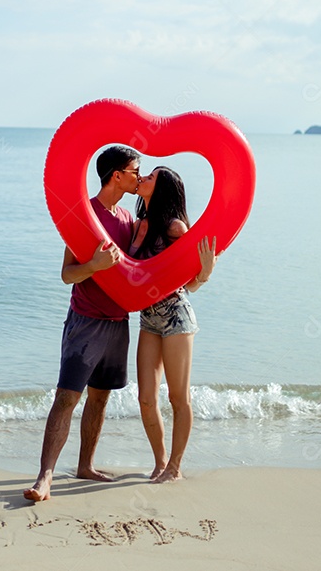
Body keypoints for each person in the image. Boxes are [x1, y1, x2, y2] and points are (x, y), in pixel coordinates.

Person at [24, 145, 142, 502]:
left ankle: (85, 465)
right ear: (117, 175)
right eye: (136, 170)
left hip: (118, 322)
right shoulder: (84, 213)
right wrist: (94, 265)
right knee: (66, 398)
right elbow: (66, 274)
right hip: (86, 322)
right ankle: (44, 478)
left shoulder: (128, 220)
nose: (140, 176)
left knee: (100, 398)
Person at [130, 166, 217, 483]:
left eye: (150, 177)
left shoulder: (176, 228)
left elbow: (189, 283)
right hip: (148, 318)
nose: (143, 179)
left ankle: (175, 468)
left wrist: (205, 274)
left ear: (162, 189)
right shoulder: (137, 225)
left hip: (176, 317)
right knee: (146, 398)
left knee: (178, 398)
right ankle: (160, 461)